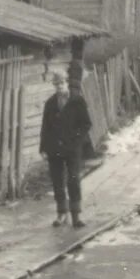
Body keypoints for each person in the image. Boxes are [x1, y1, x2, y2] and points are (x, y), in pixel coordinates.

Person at [40, 71, 92, 228]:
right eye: (56, 84)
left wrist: (76, 140)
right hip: (54, 148)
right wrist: (43, 148)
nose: (59, 87)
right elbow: (45, 127)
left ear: (66, 83)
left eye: (61, 83)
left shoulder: (77, 101)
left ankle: (76, 215)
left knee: (73, 179)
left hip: (72, 148)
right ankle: (61, 213)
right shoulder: (50, 103)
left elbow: (86, 124)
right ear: (53, 85)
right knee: (57, 181)